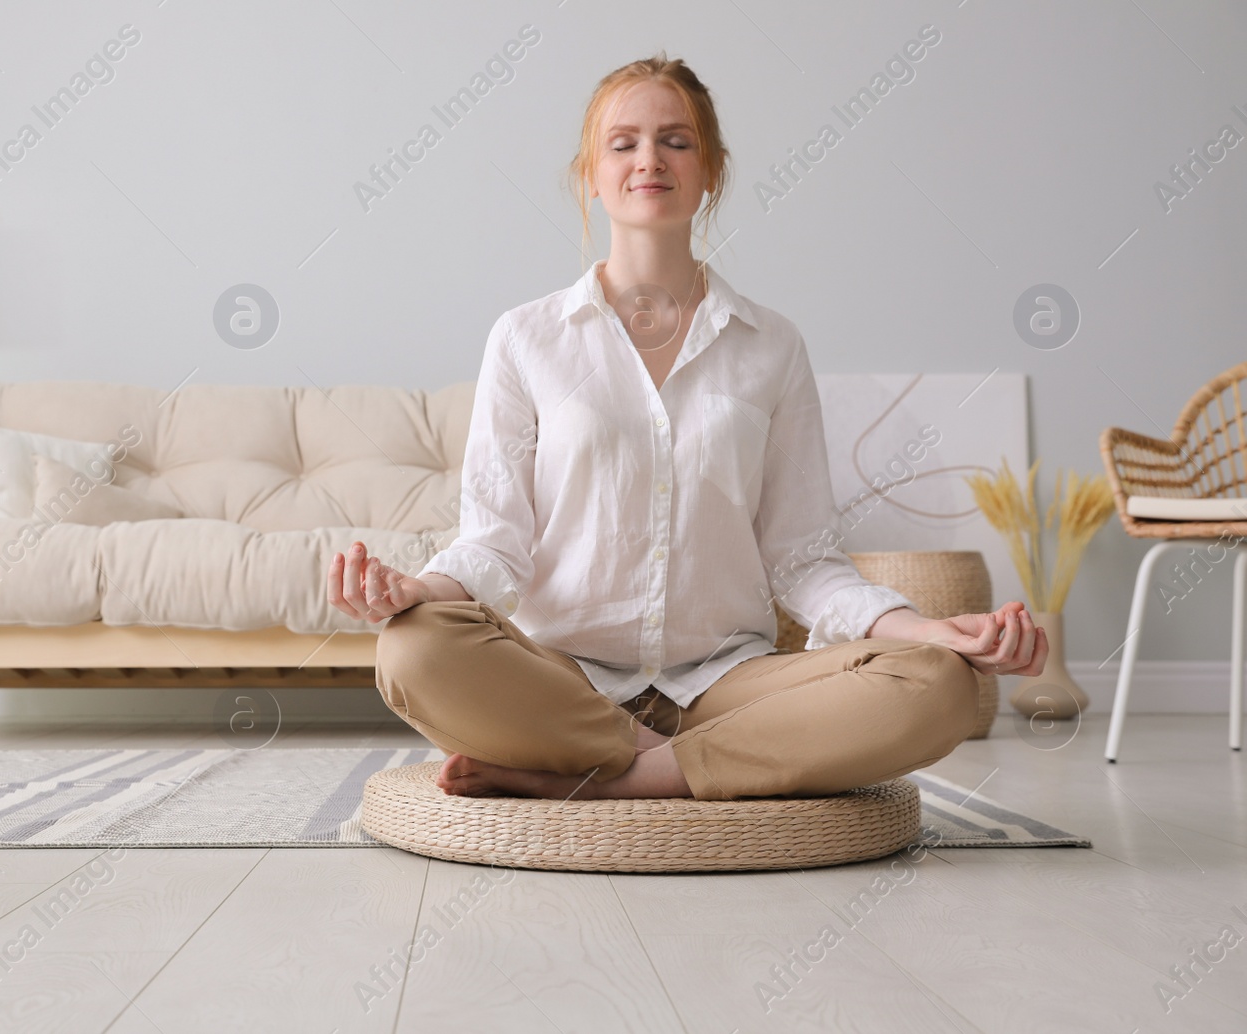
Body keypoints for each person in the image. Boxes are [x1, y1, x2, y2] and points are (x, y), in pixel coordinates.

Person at [327, 53, 1046, 803]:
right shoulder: (526, 337)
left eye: (676, 140)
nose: (650, 159)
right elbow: (495, 542)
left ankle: (620, 779)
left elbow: (803, 562)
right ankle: (674, 756)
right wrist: (415, 588)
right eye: (624, 142)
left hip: (729, 681)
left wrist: (927, 631)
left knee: (939, 686)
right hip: (563, 678)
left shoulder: (771, 345)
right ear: (590, 173)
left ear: (711, 170)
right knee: (413, 647)